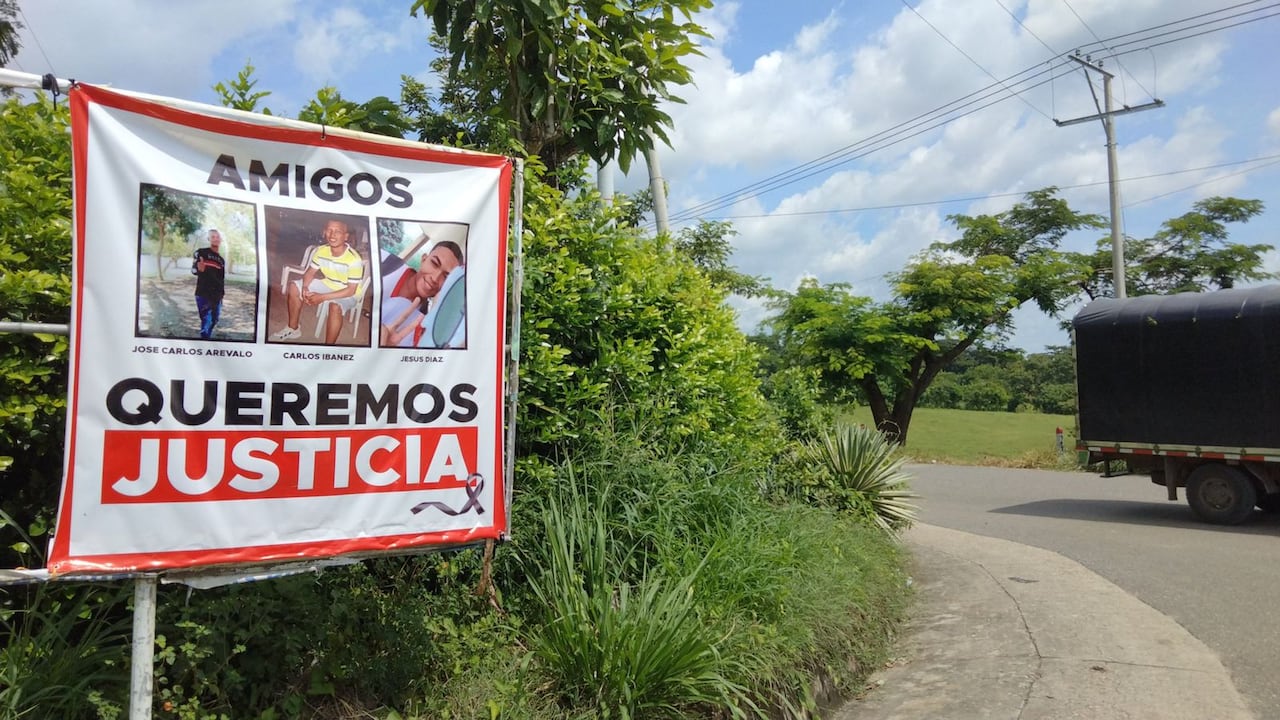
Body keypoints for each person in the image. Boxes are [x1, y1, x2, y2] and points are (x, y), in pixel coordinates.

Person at [270, 220, 365, 344]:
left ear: (345, 236)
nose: (332, 235)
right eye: (329, 230)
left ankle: (328, 347)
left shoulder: (354, 259)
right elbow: (310, 273)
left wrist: (322, 297)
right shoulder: (321, 251)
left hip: (349, 293)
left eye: (337, 231)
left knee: (335, 307)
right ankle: (293, 329)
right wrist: (304, 288)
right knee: (294, 286)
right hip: (329, 283)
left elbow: (351, 290)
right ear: (324, 232)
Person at [379, 240, 464, 348]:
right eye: (434, 263)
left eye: (446, 276)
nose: (435, 278)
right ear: (424, 259)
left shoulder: (417, 323)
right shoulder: (385, 263)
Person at [191, 229, 226, 339]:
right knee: (207, 320)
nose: (216, 238)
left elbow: (221, 279)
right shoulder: (201, 252)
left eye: (217, 236)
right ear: (209, 239)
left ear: (221, 239)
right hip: (203, 293)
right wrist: (198, 269)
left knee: (215, 319)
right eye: (213, 236)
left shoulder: (221, 260)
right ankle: (205, 341)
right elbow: (193, 270)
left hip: (217, 295)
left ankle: (207, 337)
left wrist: (222, 294)